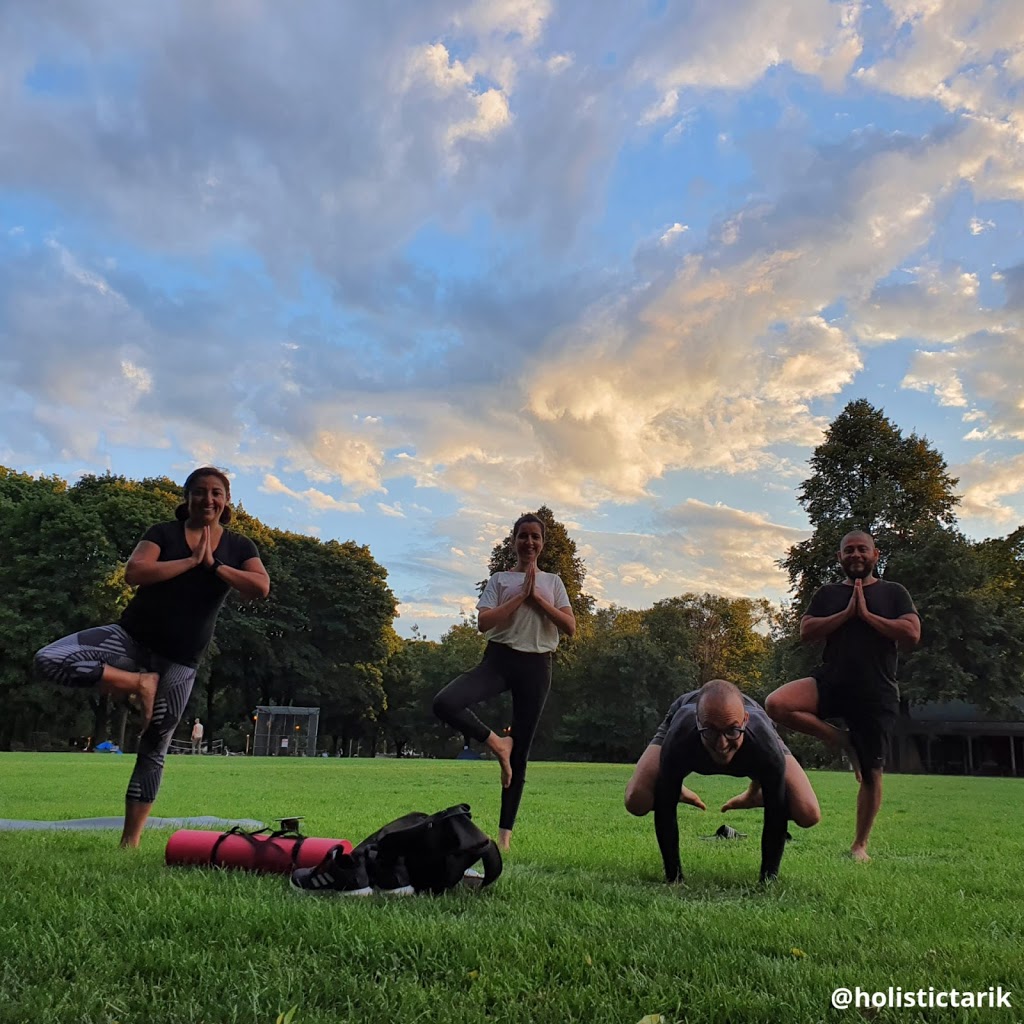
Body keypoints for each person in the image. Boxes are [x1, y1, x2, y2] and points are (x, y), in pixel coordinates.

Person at [35, 467, 270, 848]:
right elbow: (135, 572)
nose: (207, 499)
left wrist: (213, 565)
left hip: (180, 661)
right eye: (199, 492)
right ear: (186, 497)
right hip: (129, 640)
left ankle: (130, 842)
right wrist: (190, 562)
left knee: (154, 745)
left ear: (226, 501)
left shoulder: (240, 547)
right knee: (49, 659)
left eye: (216, 493)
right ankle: (136, 683)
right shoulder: (162, 533)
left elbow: (260, 587)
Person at [764, 530, 920, 863]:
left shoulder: (894, 592)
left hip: (875, 691)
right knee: (776, 704)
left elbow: (911, 633)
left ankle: (859, 845)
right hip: (832, 680)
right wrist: (846, 614)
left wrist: (868, 616)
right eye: (848, 550)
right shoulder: (828, 594)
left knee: (872, 772)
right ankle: (841, 739)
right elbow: (806, 631)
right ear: (839, 558)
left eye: (862, 549)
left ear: (876, 554)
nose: (855, 554)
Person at [432, 513, 575, 852]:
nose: (529, 542)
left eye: (535, 537)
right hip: (499, 659)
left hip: (537, 665)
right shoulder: (499, 580)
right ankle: (497, 744)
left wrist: (538, 599)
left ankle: (505, 839)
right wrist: (518, 598)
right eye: (523, 536)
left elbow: (570, 626)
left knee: (521, 753)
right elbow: (484, 623)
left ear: (542, 543)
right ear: (514, 541)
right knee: (445, 702)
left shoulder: (553, 582)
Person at [626, 680, 820, 884]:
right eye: (710, 731)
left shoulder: (765, 743)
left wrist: (767, 880)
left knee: (808, 813)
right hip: (688, 710)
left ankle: (756, 794)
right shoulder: (680, 735)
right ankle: (674, 787)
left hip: (753, 726)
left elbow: (776, 816)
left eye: (732, 731)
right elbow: (665, 811)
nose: (721, 744)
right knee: (636, 801)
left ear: (745, 720)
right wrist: (673, 878)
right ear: (698, 722)